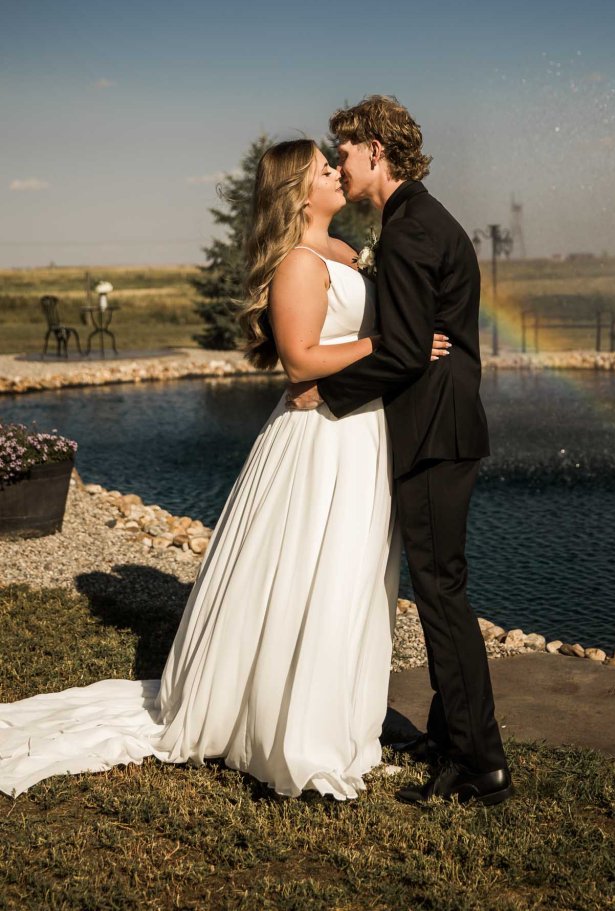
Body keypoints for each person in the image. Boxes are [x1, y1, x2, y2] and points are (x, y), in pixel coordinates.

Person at [0, 139, 449, 801]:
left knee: (352, 572)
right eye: (325, 169)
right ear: (300, 192)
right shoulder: (297, 263)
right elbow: (300, 363)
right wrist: (392, 344)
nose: (338, 174)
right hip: (318, 439)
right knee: (310, 567)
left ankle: (341, 712)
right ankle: (286, 725)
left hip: (361, 434)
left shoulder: (351, 254)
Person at [288, 96, 512, 806]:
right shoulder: (415, 218)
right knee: (445, 588)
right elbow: (415, 336)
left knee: (441, 593)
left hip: (432, 432)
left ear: (377, 150)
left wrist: (327, 395)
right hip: (444, 427)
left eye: (345, 152)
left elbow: (409, 351)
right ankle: (456, 739)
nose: (341, 164)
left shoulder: (414, 229)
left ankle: (480, 762)